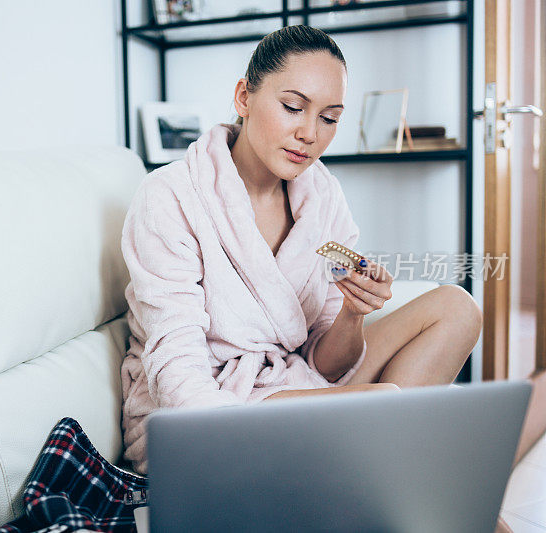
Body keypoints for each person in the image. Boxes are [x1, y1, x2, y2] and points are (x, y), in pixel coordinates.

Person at [119, 22, 505, 532]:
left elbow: (326, 363)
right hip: (212, 410)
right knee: (388, 413)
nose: (310, 134)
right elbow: (176, 362)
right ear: (244, 97)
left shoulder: (321, 196)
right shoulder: (171, 196)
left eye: (328, 118)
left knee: (456, 307)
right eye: (293, 107)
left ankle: (374, 475)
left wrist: (352, 312)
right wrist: (213, 457)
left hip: (297, 381)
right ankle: (387, 482)